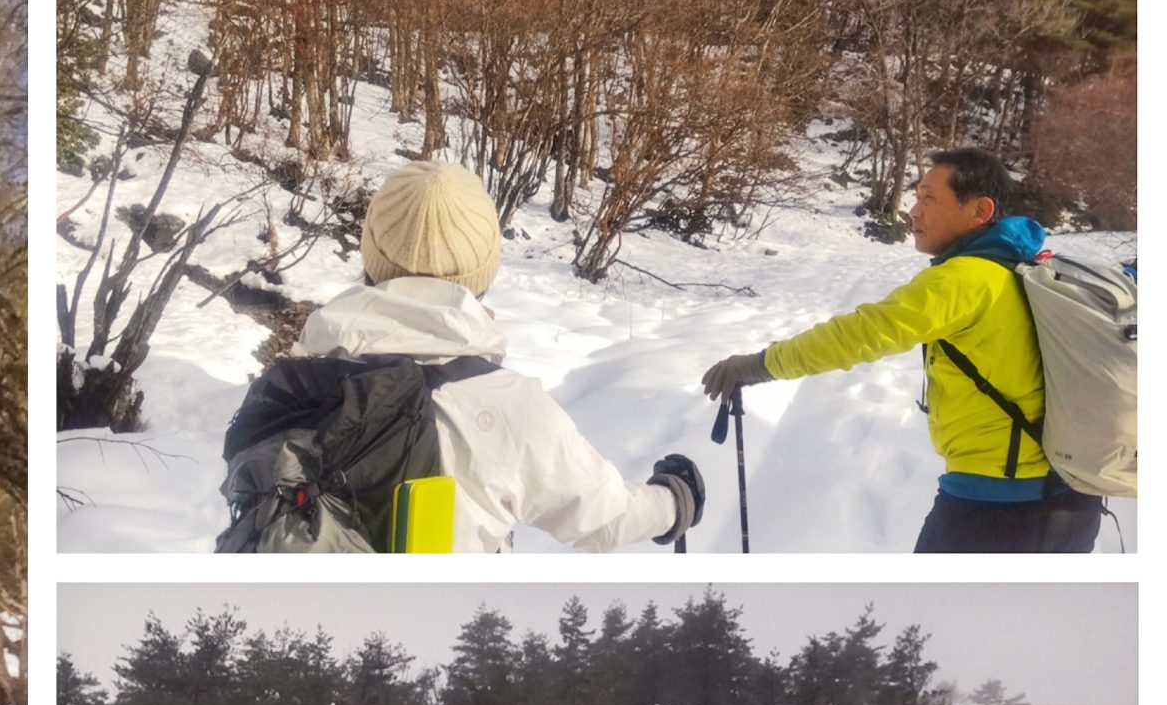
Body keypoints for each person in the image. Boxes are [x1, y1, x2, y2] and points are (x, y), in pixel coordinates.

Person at [232, 157, 701, 552]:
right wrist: (674, 502)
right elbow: (605, 516)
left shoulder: (298, 382)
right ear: (483, 271)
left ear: (372, 255)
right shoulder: (505, 405)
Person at [701, 148, 1104, 555]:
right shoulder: (1019, 269)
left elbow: (859, 333)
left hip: (999, 505)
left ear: (980, 210)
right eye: (916, 196)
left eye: (929, 198)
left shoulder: (965, 279)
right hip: (1070, 501)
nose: (913, 211)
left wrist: (758, 365)